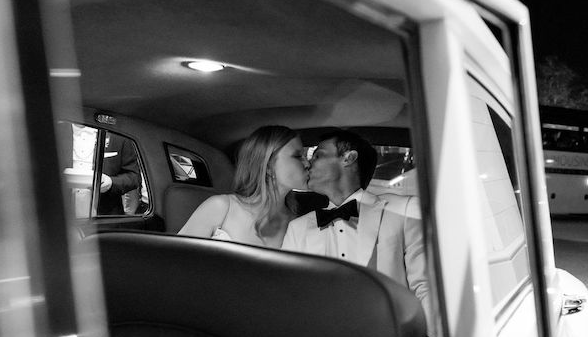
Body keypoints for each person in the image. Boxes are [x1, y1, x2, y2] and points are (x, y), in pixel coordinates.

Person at [282, 129, 430, 320]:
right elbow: (290, 294)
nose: (308, 164)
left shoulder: (404, 210)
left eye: (318, 155)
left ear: (348, 158)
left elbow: (424, 287)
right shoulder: (298, 228)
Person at [178, 125, 309, 248]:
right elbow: (174, 260)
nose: (307, 164)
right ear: (268, 166)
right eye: (298, 156)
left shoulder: (298, 225)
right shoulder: (221, 207)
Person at [97, 133, 141, 215]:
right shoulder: (65, 129)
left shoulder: (120, 136)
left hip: (106, 214)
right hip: (66, 210)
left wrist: (111, 182)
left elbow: (134, 177)